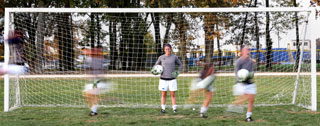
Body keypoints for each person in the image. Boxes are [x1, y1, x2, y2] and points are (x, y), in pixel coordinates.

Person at [228, 45, 256, 122]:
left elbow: (251, 72)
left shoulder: (250, 61)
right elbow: (236, 74)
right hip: (241, 84)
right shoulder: (238, 62)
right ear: (242, 52)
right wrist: (242, 78)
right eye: (246, 50)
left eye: (248, 50)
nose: (248, 51)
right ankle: (232, 106)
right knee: (243, 99)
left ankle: (248, 117)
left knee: (251, 100)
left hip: (249, 83)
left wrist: (249, 75)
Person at [153, 44, 182, 113]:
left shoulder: (174, 57)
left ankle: (174, 109)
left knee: (173, 94)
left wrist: (178, 72)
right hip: (163, 79)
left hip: (172, 79)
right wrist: (154, 70)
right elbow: (156, 65)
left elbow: (180, 64)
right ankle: (163, 109)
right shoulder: (161, 57)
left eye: (169, 49)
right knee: (163, 94)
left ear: (171, 49)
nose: (167, 50)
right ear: (164, 50)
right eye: (166, 49)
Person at [82, 47, 105, 116]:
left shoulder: (97, 59)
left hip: (97, 81)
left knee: (91, 95)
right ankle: (94, 110)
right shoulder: (92, 59)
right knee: (87, 95)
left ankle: (94, 111)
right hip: (94, 81)